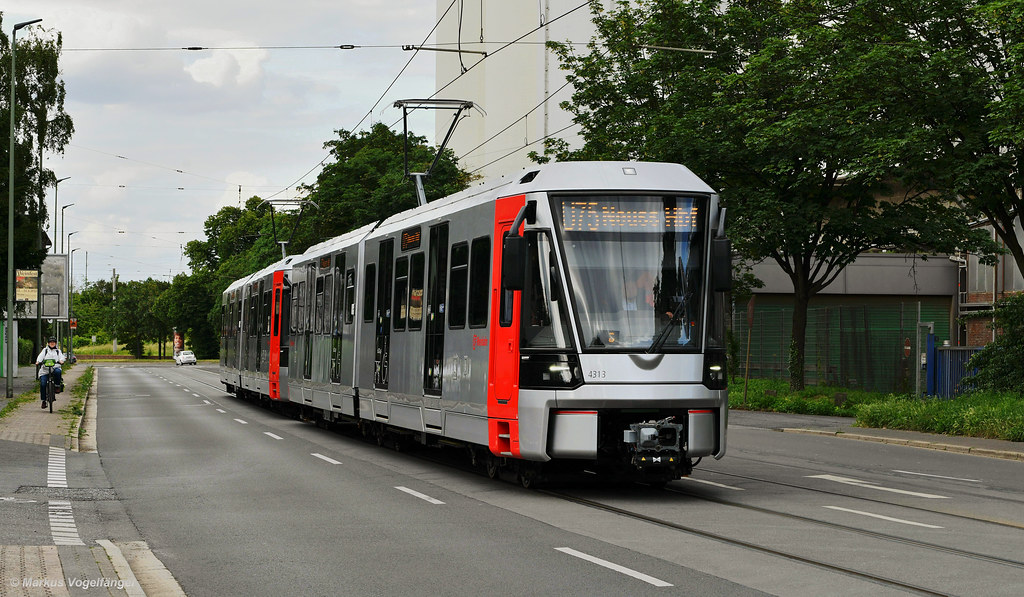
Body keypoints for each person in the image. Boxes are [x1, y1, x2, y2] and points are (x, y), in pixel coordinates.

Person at [35, 337, 66, 408]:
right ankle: (44, 401)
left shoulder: (58, 351)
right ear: (48, 343)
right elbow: (40, 357)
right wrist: (38, 361)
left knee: (58, 371)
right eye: (50, 342)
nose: (52, 343)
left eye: (53, 342)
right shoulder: (45, 350)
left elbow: (61, 357)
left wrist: (61, 361)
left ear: (55, 343)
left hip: (55, 368)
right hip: (45, 370)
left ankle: (57, 386)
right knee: (43, 384)